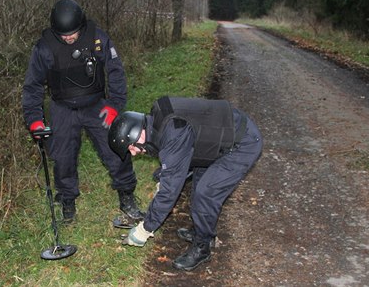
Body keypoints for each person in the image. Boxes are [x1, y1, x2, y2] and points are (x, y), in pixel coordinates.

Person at [22, 0, 143, 224]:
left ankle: (127, 196)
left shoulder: (97, 38)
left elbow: (115, 72)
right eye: (63, 34)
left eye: (72, 33)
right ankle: (67, 200)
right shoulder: (44, 47)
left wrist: (114, 105)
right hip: (62, 107)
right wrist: (35, 120)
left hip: (96, 106)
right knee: (63, 157)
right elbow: (33, 85)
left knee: (117, 149)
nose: (68, 38)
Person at [108, 96, 263, 271]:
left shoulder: (173, 131)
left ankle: (203, 246)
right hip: (214, 140)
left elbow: (169, 190)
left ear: (136, 134)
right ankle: (200, 230)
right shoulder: (157, 120)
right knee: (198, 182)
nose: (134, 153)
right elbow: (177, 156)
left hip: (242, 143)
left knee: (205, 193)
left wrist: (145, 229)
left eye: (131, 147)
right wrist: (166, 175)